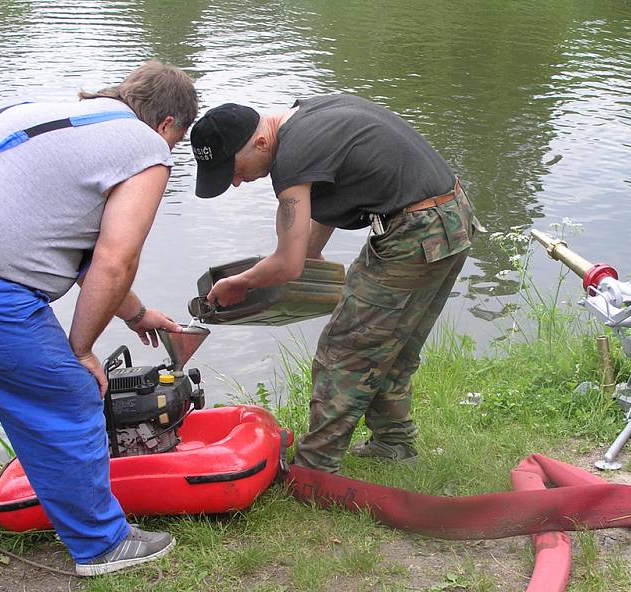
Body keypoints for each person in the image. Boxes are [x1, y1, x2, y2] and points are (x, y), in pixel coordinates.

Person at [0, 61, 198, 575]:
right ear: (167, 125)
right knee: (67, 395)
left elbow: (65, 244)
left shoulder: (42, 115)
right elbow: (115, 259)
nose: (169, 152)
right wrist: (81, 349)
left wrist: (137, 314)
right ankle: (102, 544)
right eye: (176, 141)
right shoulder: (146, 147)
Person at [189, 95, 480, 474]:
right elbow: (332, 189)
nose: (237, 182)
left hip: (415, 231)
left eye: (235, 170)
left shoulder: (291, 156)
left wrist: (238, 283)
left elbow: (287, 264)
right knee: (393, 342)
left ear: (261, 143)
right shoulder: (309, 116)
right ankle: (393, 444)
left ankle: (315, 469)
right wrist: (311, 253)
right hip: (449, 218)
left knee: (344, 350)